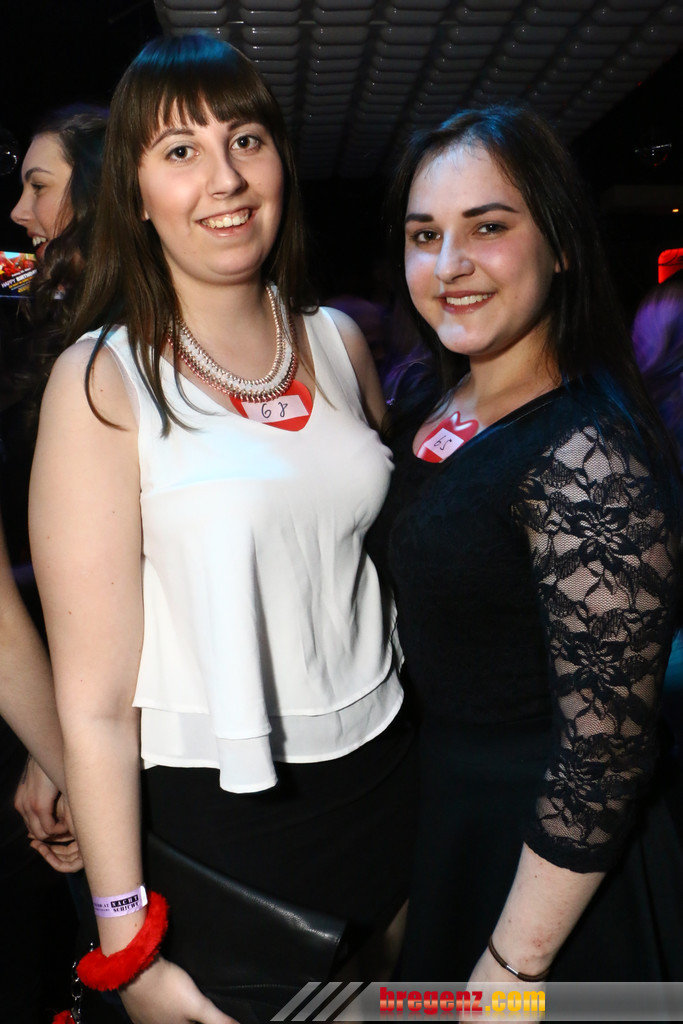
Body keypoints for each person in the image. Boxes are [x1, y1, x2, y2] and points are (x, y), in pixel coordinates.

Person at [30, 34, 414, 1024]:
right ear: (135, 193)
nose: (225, 179)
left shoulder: (336, 341)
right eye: (179, 151)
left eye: (245, 139)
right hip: (226, 822)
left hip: (388, 778)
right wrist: (127, 948)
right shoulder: (101, 381)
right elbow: (95, 707)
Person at [371, 104, 683, 989]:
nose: (448, 264)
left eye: (488, 227)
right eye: (424, 235)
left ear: (561, 246)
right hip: (450, 814)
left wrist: (510, 971)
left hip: (545, 868)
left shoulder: (588, 453)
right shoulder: (432, 406)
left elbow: (603, 756)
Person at [3, 106, 107, 856]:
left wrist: (68, 758)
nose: (17, 211)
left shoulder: (145, 330)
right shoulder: (45, 298)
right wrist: (59, 750)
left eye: (38, 186)